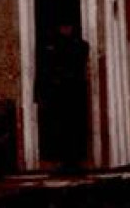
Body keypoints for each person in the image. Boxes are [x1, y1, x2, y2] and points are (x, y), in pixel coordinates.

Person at [36, 18, 91, 169]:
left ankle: (73, 160)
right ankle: (63, 160)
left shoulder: (78, 46)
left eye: (67, 26)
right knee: (60, 128)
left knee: (73, 128)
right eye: (63, 26)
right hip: (59, 94)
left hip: (72, 92)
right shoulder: (55, 46)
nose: (65, 30)